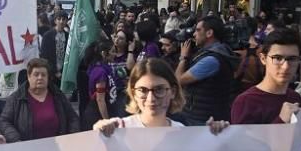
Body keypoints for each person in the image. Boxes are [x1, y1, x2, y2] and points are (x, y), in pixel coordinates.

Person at [94, 59, 229, 135]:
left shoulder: (182, 132)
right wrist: (101, 131)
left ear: (173, 92)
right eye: (143, 90)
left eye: (159, 89)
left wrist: (215, 136)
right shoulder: (119, 128)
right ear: (133, 93)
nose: (151, 98)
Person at [0, 57, 79, 142]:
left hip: (58, 147)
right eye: (36, 74)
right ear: (29, 76)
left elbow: (73, 118)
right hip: (28, 149)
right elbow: (4, 121)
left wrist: (71, 138)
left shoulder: (58, 95)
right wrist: (16, 139)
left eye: (43, 75)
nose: (40, 78)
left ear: (48, 78)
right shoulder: (16, 98)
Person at [175, 16, 237, 125]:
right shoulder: (213, 53)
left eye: (198, 30)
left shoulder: (211, 60)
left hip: (202, 119)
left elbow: (178, 80)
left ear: (209, 33)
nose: (194, 34)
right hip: (202, 115)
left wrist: (183, 57)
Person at [39, 11, 69, 82]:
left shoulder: (68, 36)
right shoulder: (47, 35)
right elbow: (44, 56)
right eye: (59, 19)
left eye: (63, 19)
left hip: (64, 73)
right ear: (55, 21)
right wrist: (54, 72)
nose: (61, 22)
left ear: (66, 21)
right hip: (51, 73)